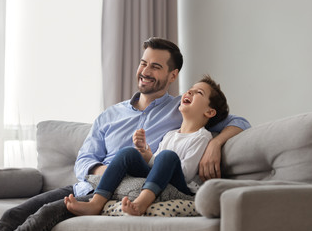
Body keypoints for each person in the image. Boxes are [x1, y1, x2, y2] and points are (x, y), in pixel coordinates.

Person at [0, 37, 250, 231]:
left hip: (125, 190)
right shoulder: (109, 115)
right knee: (14, 214)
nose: (146, 71)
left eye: (156, 66)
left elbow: (239, 122)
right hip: (88, 185)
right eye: (143, 63)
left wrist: (216, 143)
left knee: (43, 216)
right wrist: (109, 171)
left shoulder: (182, 109)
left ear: (172, 75)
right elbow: (84, 160)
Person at [64, 75, 227, 216]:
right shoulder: (171, 134)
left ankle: (141, 203)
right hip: (160, 180)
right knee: (128, 153)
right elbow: (155, 163)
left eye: (199, 92)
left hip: (181, 188)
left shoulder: (202, 137)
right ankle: (96, 202)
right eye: (190, 89)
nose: (190, 91)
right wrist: (146, 151)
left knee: (167, 156)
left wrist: (158, 162)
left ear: (209, 112)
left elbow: (186, 173)